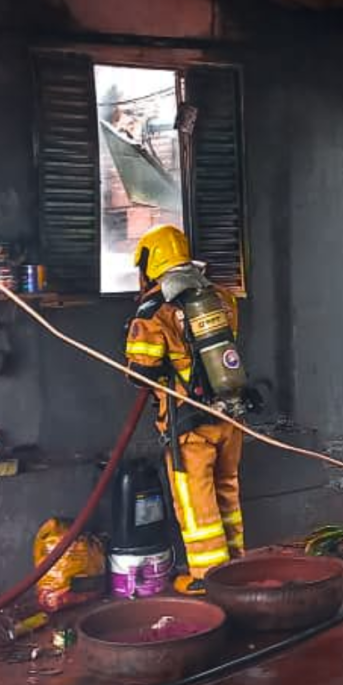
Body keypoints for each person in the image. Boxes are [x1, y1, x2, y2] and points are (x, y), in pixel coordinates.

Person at [124, 224, 254, 596]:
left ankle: (208, 578)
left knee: (197, 504)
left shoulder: (155, 310)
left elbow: (139, 374)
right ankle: (235, 566)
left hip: (190, 425)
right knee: (227, 490)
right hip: (230, 415)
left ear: (151, 263)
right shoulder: (221, 297)